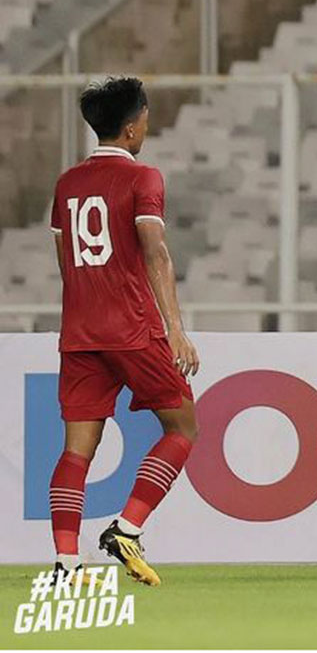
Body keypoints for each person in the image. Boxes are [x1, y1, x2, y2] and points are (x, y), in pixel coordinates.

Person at [48, 76, 200, 586]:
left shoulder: (67, 183)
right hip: (132, 329)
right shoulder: (144, 178)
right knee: (182, 427)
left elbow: (64, 260)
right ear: (134, 127)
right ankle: (127, 528)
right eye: (147, 116)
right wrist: (175, 329)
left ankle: (66, 564)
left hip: (79, 332)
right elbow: (155, 249)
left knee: (76, 451)